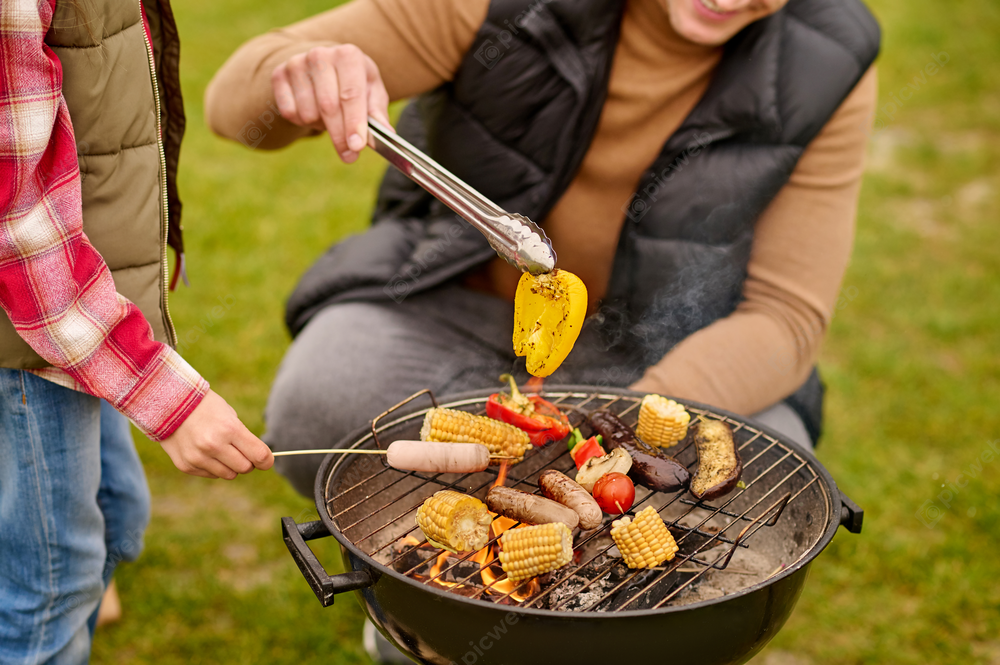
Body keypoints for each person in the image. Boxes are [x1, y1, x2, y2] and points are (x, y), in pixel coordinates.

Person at [208, 0, 878, 659]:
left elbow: (784, 316)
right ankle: (430, 616)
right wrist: (289, 74)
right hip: (465, 309)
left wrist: (619, 434)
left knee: (774, 465)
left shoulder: (826, 57)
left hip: (659, 354)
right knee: (323, 396)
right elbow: (231, 108)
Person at [0, 1, 274, 663]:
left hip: (81, 309)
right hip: (28, 334)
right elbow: (16, 228)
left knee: (116, 518)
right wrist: (168, 401)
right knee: (51, 579)